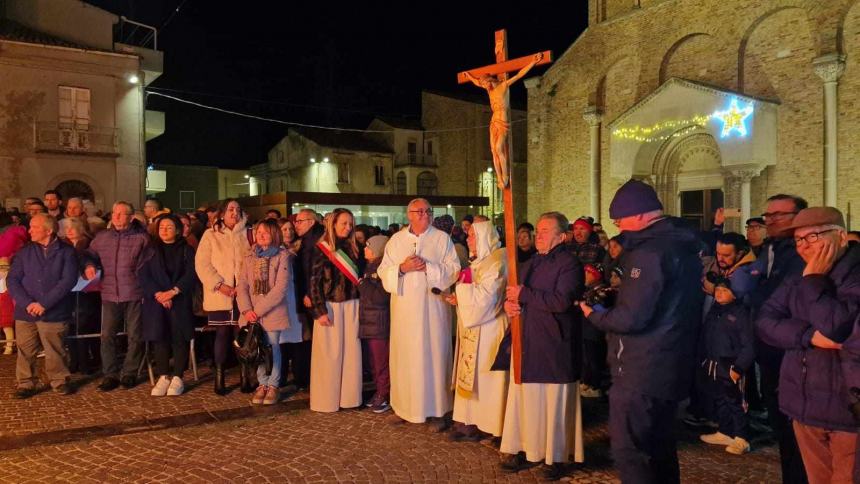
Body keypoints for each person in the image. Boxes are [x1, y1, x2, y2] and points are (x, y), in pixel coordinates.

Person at [581, 180, 704, 484]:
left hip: (642, 366)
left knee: (631, 451)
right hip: (669, 362)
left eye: (619, 217)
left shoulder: (649, 252)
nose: (617, 224)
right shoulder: (679, 245)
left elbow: (633, 318)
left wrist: (595, 314)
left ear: (638, 215)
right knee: (660, 447)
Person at [757, 207, 859, 483]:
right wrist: (808, 336)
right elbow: (765, 320)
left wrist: (814, 280)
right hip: (804, 405)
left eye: (812, 237)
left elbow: (838, 328)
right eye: (799, 240)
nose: (803, 247)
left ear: (841, 236)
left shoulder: (851, 276)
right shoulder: (797, 276)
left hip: (847, 410)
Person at [498, 211, 584, 480]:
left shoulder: (570, 264)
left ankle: (555, 456)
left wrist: (525, 295)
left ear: (562, 236)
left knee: (552, 402)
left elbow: (561, 302)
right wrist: (511, 304)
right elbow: (518, 295)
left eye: (546, 231)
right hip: (529, 339)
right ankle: (527, 447)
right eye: (538, 230)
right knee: (528, 399)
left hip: (554, 343)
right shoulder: (532, 262)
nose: (539, 235)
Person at [378, 198, 460, 430]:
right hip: (405, 311)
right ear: (409, 215)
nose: (425, 214)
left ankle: (437, 411)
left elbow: (453, 270)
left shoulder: (442, 239)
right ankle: (404, 408)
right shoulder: (396, 240)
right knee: (406, 358)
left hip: (433, 311)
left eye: (428, 211)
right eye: (419, 211)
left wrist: (428, 268)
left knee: (434, 356)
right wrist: (402, 268)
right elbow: (384, 271)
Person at [749, 194, 809, 484]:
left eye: (778, 215)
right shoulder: (770, 249)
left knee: (796, 433)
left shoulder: (800, 253)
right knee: (782, 428)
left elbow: (783, 301)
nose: (770, 220)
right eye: (768, 215)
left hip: (791, 352)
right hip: (769, 349)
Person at [446, 220, 508, 442]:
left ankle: (490, 425)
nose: (468, 239)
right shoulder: (480, 261)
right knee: (472, 378)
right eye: (469, 235)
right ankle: (469, 421)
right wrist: (460, 299)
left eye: (472, 235)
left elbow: (486, 300)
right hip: (474, 328)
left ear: (484, 236)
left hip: (490, 328)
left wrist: (462, 291)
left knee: (487, 380)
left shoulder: (498, 261)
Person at [8, 214, 78, 397]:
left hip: (54, 311)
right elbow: (13, 279)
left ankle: (59, 380)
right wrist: (28, 303)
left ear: (48, 230)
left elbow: (68, 281)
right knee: (25, 348)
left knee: (55, 348)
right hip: (26, 311)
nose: (29, 230)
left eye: (34, 227)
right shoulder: (26, 252)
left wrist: (44, 303)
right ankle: (25, 382)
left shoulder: (67, 252)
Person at [84, 201, 150, 391]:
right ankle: (110, 374)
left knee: (135, 336)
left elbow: (148, 265)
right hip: (109, 293)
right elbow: (89, 254)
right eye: (115, 213)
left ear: (131, 217)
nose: (117, 216)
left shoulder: (142, 239)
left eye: (122, 214)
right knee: (107, 336)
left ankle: (129, 372)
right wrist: (89, 265)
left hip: (134, 293)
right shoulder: (102, 237)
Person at [195, 199, 252, 395]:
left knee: (242, 334)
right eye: (230, 209)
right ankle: (219, 379)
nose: (234, 212)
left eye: (237, 209)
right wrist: (220, 285)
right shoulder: (210, 235)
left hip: (243, 294)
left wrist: (244, 285)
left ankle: (246, 376)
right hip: (220, 293)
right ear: (222, 213)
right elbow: (202, 264)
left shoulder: (247, 234)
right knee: (222, 333)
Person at [308, 208, 363, 412]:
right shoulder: (321, 248)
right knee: (328, 355)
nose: (348, 227)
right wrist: (319, 310)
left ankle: (349, 398)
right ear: (333, 224)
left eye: (350, 224)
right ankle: (326, 400)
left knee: (351, 354)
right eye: (344, 223)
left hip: (352, 305)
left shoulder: (355, 248)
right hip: (330, 306)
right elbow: (313, 282)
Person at [236, 219, 294, 405]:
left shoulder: (282, 256)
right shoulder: (249, 256)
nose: (260, 235)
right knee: (256, 348)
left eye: (265, 232)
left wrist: (258, 310)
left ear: (274, 234)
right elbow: (242, 285)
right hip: (251, 312)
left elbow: (280, 288)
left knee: (271, 348)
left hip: (271, 311)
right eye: (258, 232)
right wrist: (246, 309)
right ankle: (262, 383)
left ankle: (273, 385)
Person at [464, 52, 543, 188]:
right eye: (483, 84)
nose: (484, 85)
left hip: (502, 119)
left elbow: (519, 75)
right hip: (494, 120)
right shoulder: (489, 90)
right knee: (493, 150)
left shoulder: (503, 86)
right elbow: (477, 82)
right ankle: (499, 177)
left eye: (485, 83)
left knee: (499, 147)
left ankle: (505, 176)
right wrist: (469, 76)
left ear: (490, 80)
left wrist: (533, 62)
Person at [139, 215, 197, 397]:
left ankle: (178, 376)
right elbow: (143, 274)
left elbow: (191, 274)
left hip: (179, 299)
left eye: (169, 227)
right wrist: (159, 294)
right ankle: (163, 375)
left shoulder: (186, 249)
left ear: (178, 230)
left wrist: (173, 292)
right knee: (160, 337)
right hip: (156, 301)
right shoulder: (150, 250)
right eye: (162, 227)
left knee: (179, 338)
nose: (164, 230)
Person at [697, 276, 755, 455]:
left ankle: (741, 437)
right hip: (714, 364)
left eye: (724, 291)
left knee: (736, 401)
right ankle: (725, 431)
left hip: (731, 365)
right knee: (720, 399)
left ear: (734, 294)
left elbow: (749, 344)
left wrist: (739, 367)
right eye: (717, 291)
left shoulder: (740, 314)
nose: (719, 294)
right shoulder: (714, 311)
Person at [357, 234, 391, 413]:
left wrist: (362, 284)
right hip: (370, 322)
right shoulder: (370, 266)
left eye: (368, 246)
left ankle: (384, 394)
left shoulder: (381, 268)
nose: (364, 249)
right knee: (373, 361)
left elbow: (380, 297)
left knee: (381, 362)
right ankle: (379, 391)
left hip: (378, 323)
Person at [62, 216, 100, 374]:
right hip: (68, 293)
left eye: (73, 227)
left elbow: (92, 260)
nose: (69, 230)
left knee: (85, 327)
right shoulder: (62, 245)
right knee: (71, 326)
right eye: (67, 227)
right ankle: (74, 360)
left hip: (87, 292)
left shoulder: (90, 245)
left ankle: (86, 360)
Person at [291, 208, 324, 391]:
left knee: (314, 338)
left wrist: (310, 293)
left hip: (311, 297)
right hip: (307, 295)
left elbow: (312, 270)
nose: (296, 225)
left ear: (311, 222)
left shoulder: (315, 240)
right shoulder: (305, 240)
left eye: (300, 221)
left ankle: (312, 378)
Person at [0, 212, 28, 355]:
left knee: (8, 318)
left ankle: (11, 345)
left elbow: (5, 254)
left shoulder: (10, 236)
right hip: (8, 280)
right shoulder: (13, 234)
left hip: (9, 280)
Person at [580, 263, 608, 399]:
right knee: (586, 358)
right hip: (586, 329)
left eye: (588, 273)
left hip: (594, 330)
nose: (585, 275)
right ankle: (587, 382)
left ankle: (596, 386)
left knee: (594, 359)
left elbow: (601, 308)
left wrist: (584, 304)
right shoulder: (588, 289)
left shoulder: (601, 290)